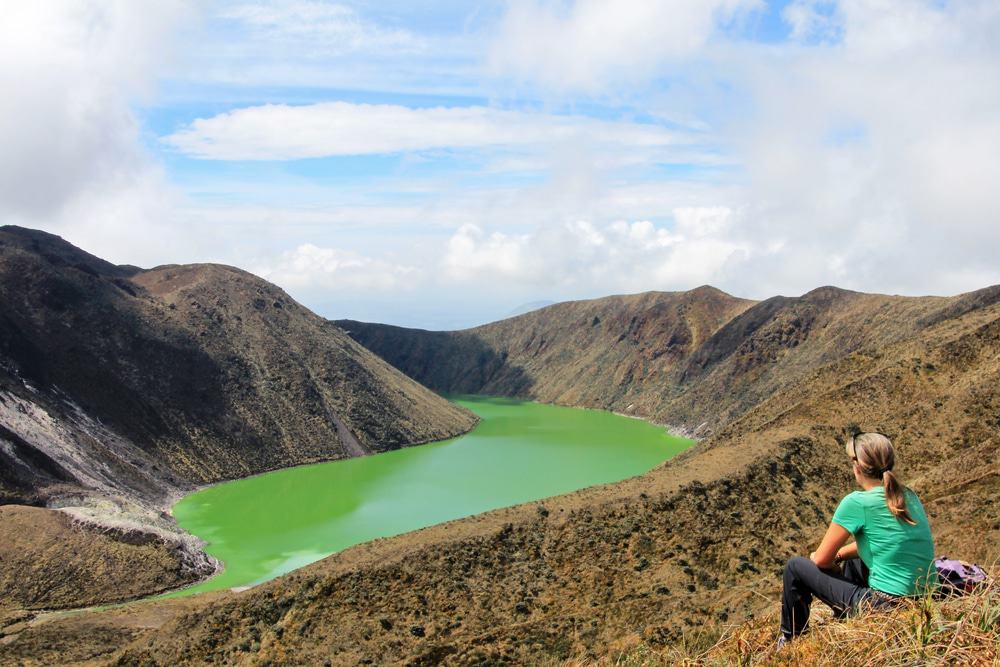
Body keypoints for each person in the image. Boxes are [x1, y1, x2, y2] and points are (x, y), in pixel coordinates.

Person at [778, 432, 936, 646]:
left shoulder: (856, 502)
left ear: (857, 467)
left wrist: (821, 557)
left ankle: (790, 639)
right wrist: (841, 554)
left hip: (883, 606)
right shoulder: (907, 495)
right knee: (854, 558)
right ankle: (845, 615)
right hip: (923, 601)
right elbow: (886, 543)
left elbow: (822, 561)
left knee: (795, 567)